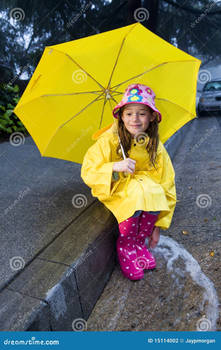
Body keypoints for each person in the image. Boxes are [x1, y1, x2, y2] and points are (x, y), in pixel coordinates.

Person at [81, 83, 177, 281]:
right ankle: (126, 246)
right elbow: (88, 170)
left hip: (144, 189)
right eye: (129, 113)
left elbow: (167, 182)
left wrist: (158, 225)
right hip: (118, 187)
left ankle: (139, 243)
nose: (135, 119)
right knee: (135, 193)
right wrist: (114, 167)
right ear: (121, 116)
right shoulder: (109, 140)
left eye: (142, 113)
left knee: (154, 191)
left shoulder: (154, 145)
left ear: (151, 117)